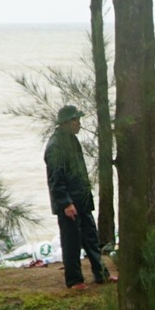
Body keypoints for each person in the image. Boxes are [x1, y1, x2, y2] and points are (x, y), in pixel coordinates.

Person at [45, 103, 111, 288]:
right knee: (71, 243)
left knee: (91, 238)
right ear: (66, 122)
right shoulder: (55, 145)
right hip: (69, 203)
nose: (79, 124)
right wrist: (66, 203)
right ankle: (74, 280)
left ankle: (101, 275)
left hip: (82, 200)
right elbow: (55, 179)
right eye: (76, 120)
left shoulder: (72, 140)